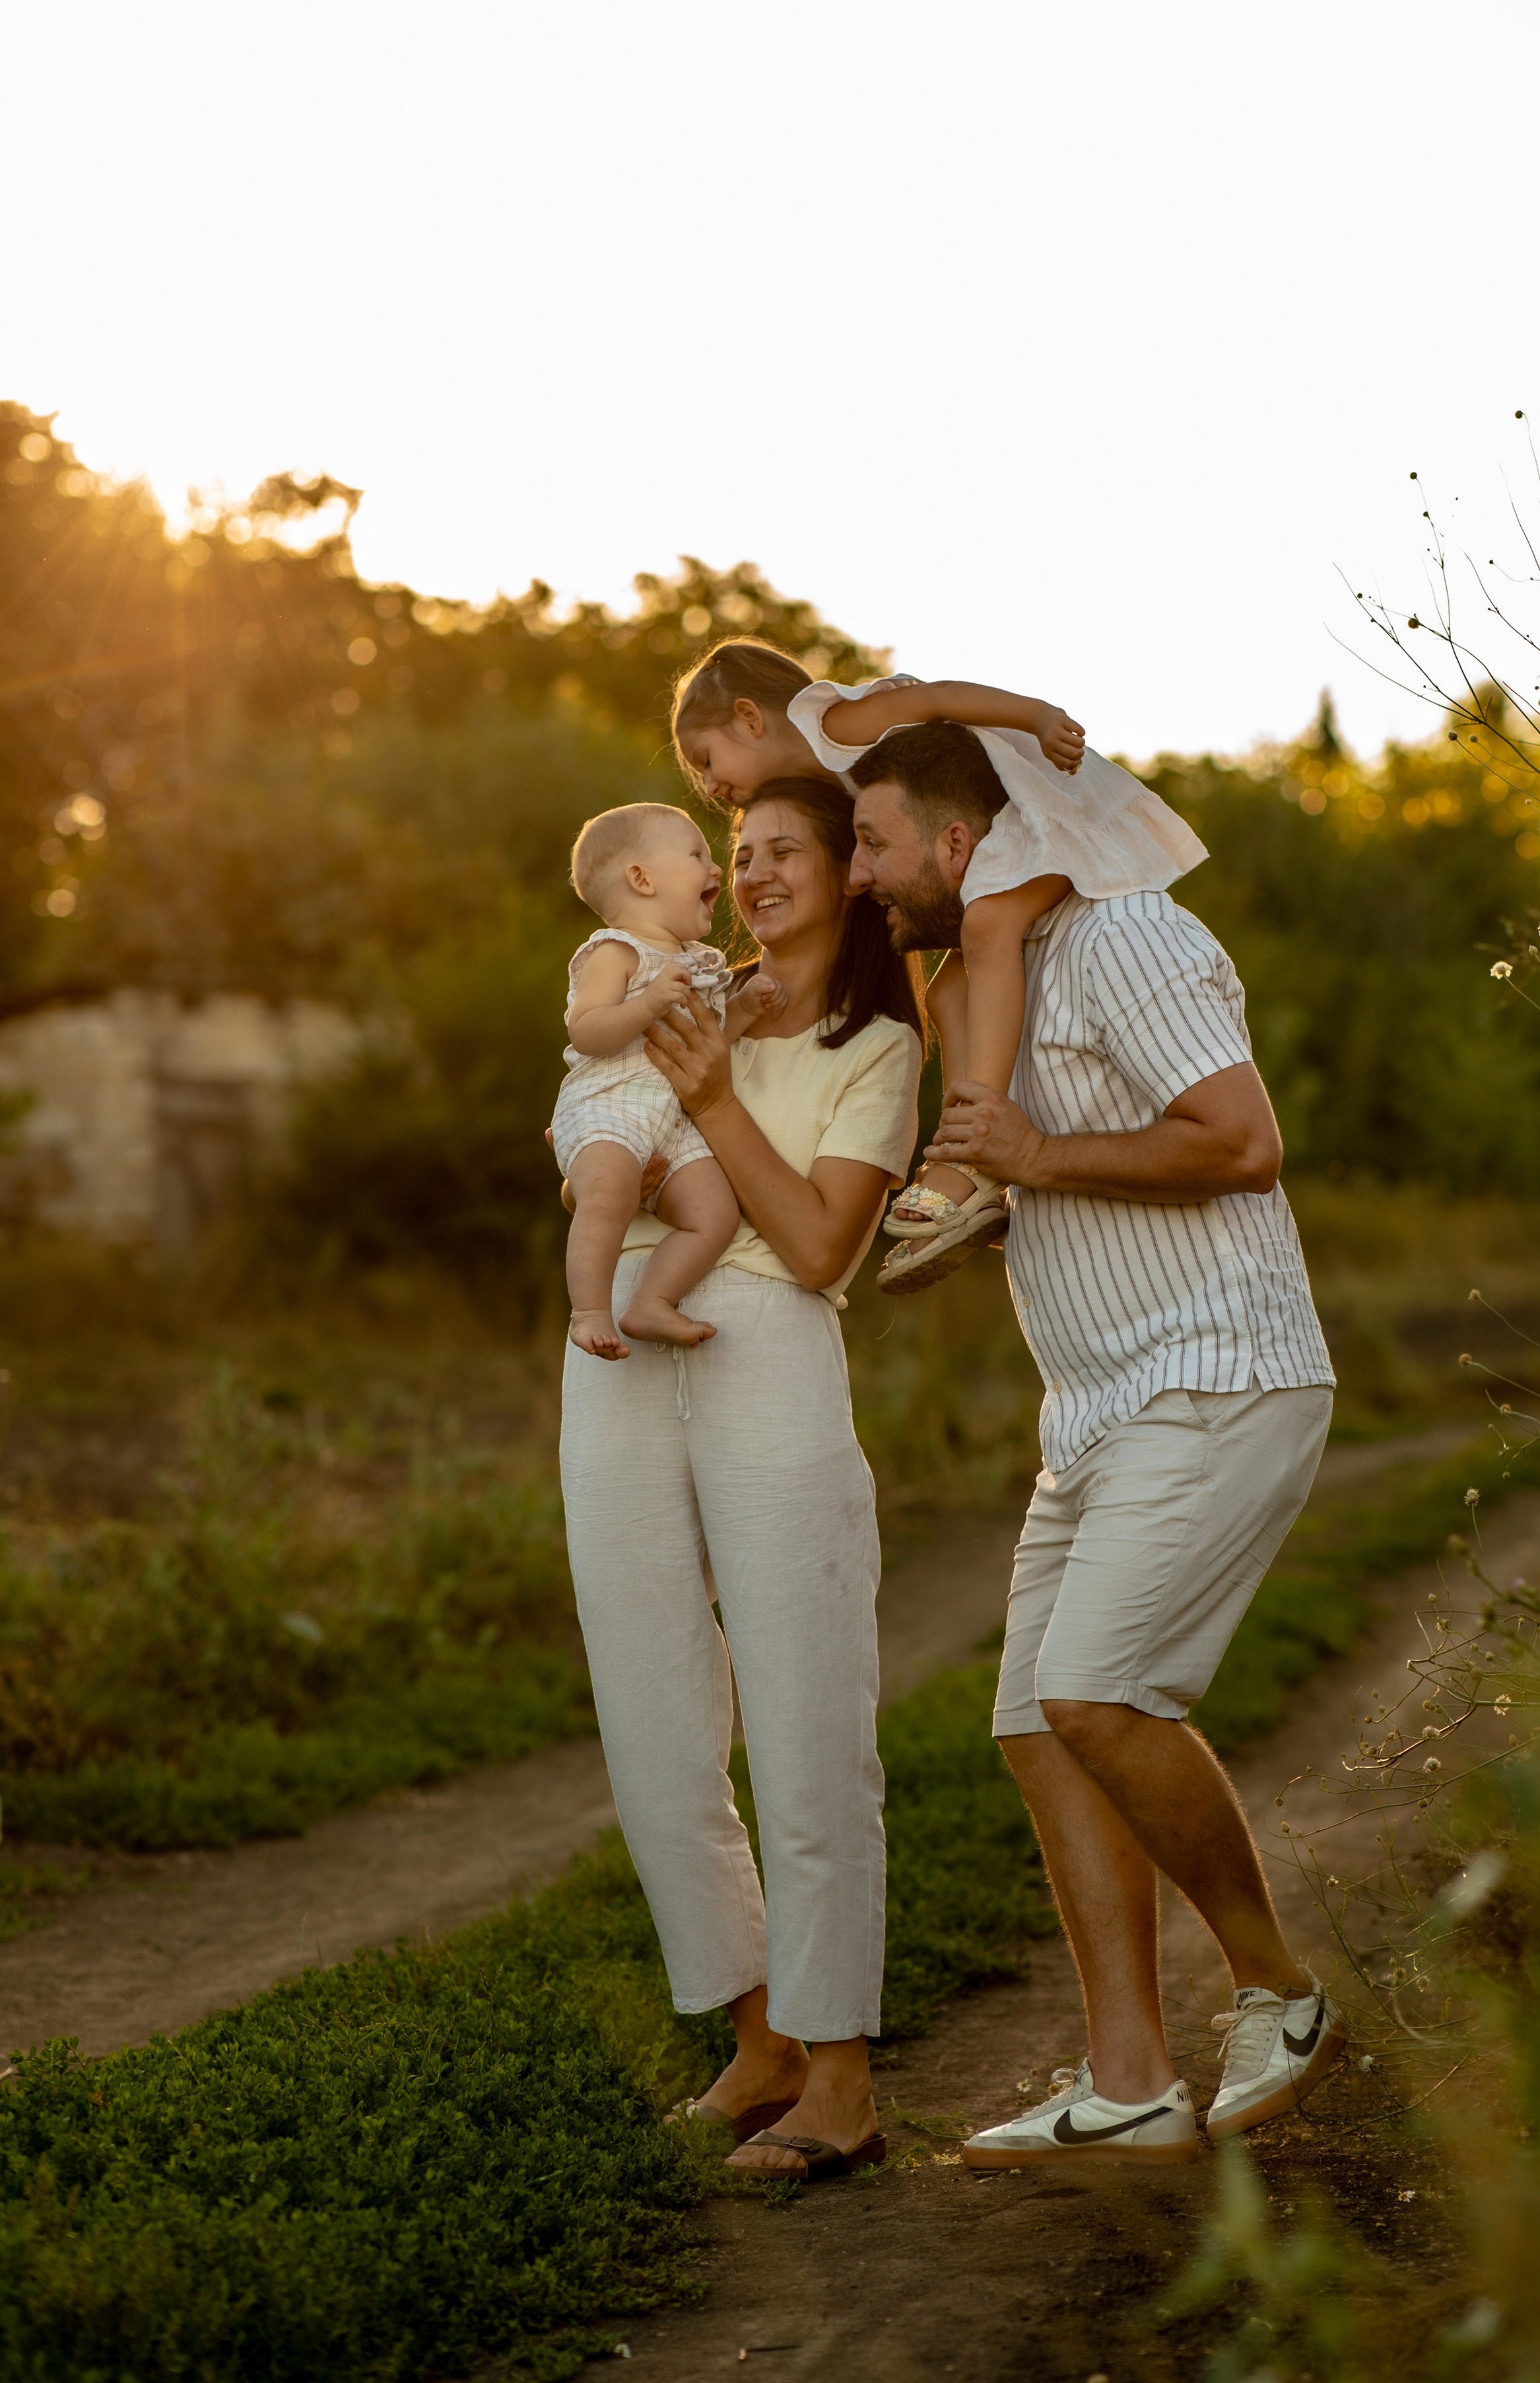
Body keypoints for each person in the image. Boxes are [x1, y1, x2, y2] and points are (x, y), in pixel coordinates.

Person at [845, 722, 1343, 2166]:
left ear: (958, 843)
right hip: (1096, 1410)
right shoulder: (985, 984)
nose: (862, 873)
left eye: (874, 844)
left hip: (1215, 1370)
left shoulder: (1124, 935)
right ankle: (1126, 2078)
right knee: (1035, 1730)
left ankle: (1278, 1990)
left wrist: (1029, 1159)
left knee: (1100, 1698)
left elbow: (1240, 1143)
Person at [556, 775, 925, 2183]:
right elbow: (597, 1133)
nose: (755, 872)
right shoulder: (676, 986)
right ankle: (757, 2034)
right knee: (650, 1708)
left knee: (801, 1704)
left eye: (785, 853)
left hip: (769, 1336)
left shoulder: (876, 1043)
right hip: (618, 1341)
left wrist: (706, 1105)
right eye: (738, 852)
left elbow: (822, 1243)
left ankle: (839, 2073)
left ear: (847, 874)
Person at [671, 635, 1207, 1293]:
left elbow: (937, 697)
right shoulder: (834, 786)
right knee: (950, 991)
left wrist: (1034, 714)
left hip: (1043, 813)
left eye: (706, 758)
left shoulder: (830, 725)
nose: (707, 784)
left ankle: (974, 1154)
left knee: (988, 923)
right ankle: (968, 1168)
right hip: (986, 827)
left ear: (750, 718)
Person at [551, 801, 780, 1359]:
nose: (717, 869)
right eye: (698, 854)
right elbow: (586, 1031)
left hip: (672, 1120)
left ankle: (652, 1301)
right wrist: (647, 1002)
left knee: (715, 1214)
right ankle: (589, 1312)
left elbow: (703, 1048)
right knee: (607, 1193)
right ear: (641, 879)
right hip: (607, 1107)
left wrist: (743, 1011)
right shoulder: (616, 952)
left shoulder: (701, 963)